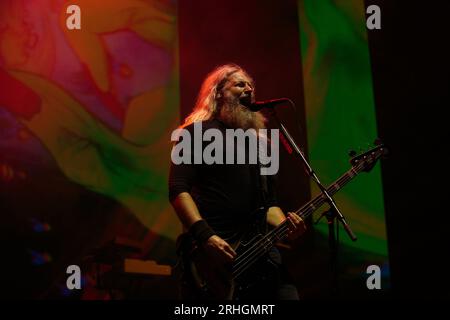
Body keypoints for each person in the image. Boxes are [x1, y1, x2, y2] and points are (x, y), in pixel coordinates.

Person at [169, 64, 306, 300]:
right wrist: (205, 236)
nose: (249, 89)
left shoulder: (261, 143)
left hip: (258, 249)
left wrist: (286, 226)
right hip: (214, 251)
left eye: (251, 85)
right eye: (240, 84)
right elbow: (177, 189)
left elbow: (269, 204)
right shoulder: (193, 133)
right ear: (219, 92)